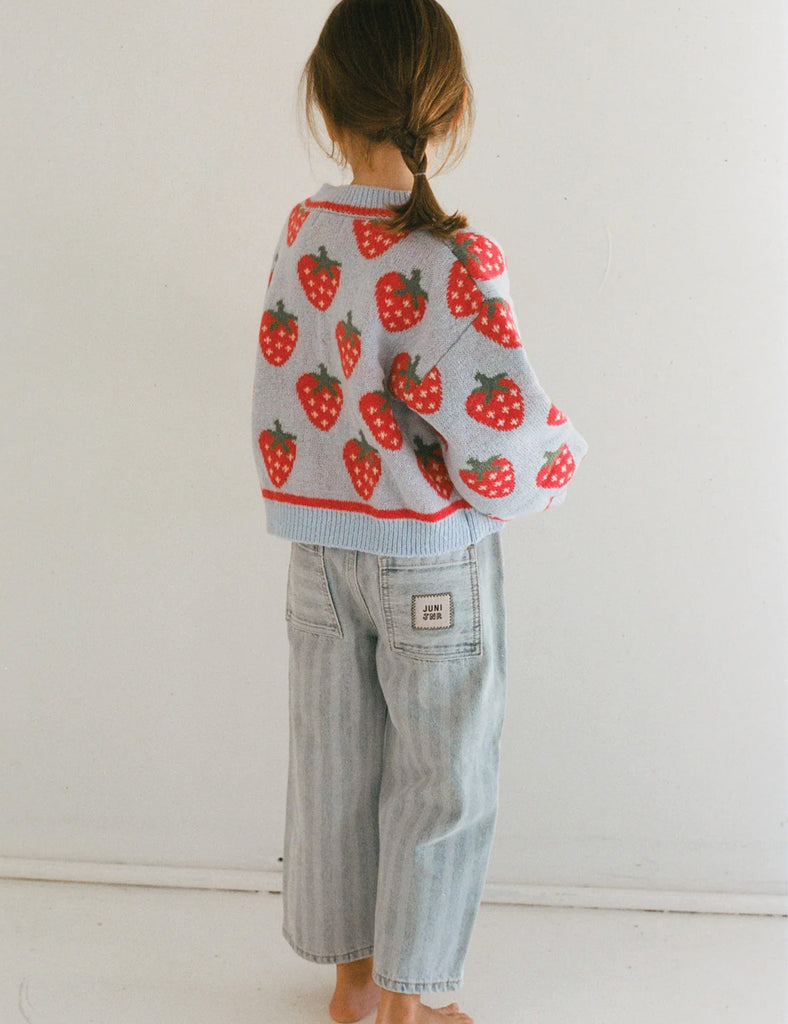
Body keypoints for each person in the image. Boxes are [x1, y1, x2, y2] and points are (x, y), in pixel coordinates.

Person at [251, 2, 588, 1021]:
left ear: (323, 95)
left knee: (332, 763)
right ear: (445, 106)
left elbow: (285, 388)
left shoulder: (306, 230)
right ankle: (409, 1000)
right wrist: (560, 460)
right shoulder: (449, 254)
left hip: (317, 547)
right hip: (426, 564)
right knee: (441, 780)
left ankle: (352, 980)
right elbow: (503, 443)